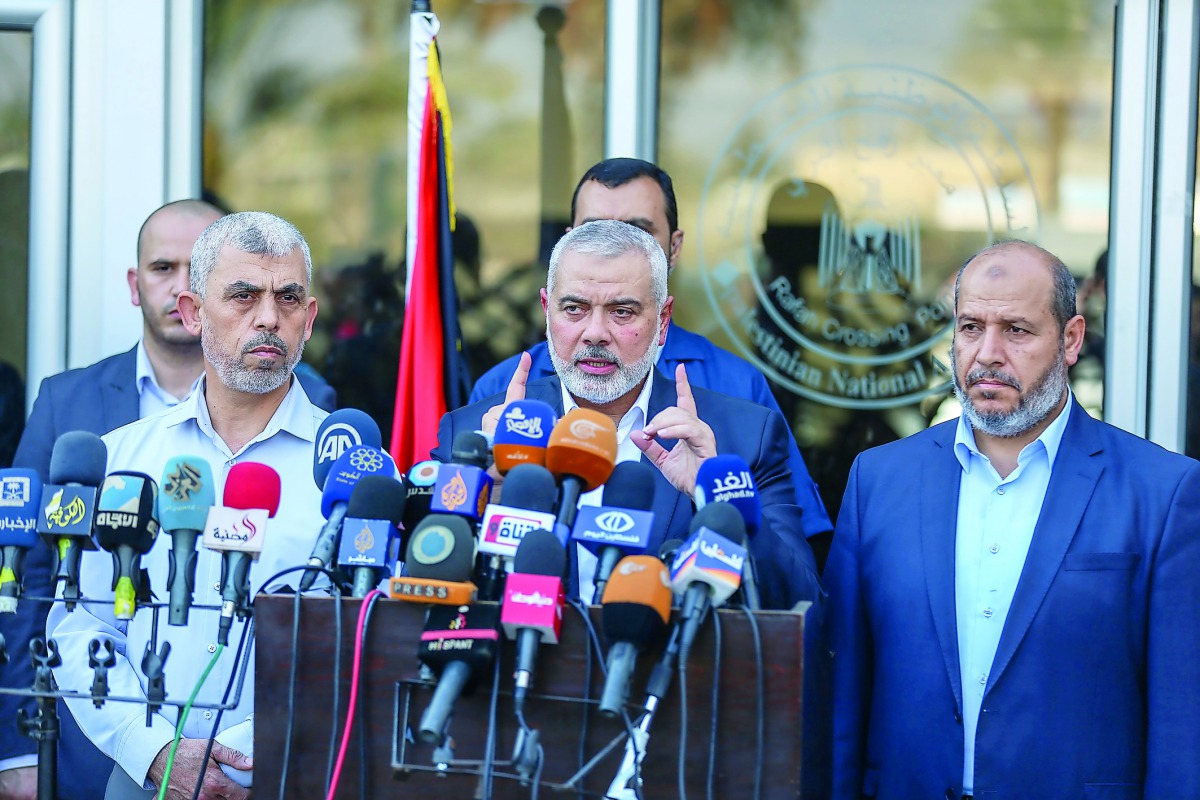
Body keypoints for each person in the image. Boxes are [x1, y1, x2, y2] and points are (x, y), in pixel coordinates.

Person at [825, 240, 1200, 798]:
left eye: (1016, 330)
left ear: (1070, 339)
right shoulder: (878, 481)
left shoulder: (1162, 491)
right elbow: (841, 694)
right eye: (971, 327)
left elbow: (1181, 725)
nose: (987, 354)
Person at [0, 200, 335, 799]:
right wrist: (151, 748)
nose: (268, 318)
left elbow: (357, 642)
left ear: (308, 319)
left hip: (290, 776)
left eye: (287, 298)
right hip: (140, 777)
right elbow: (77, 623)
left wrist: (242, 757)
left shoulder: (347, 475)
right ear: (193, 312)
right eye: (242, 296)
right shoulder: (122, 458)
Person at [436, 220, 822, 610]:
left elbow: (803, 606)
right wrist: (488, 495)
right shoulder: (472, 438)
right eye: (574, 309)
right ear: (546, 311)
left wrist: (717, 497)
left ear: (663, 321)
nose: (595, 333)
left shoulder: (743, 437)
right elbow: (425, 596)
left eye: (622, 312)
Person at [470, 158, 833, 541]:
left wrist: (716, 499)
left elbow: (794, 554)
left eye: (638, 231)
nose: (615, 246)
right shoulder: (502, 388)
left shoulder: (737, 386)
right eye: (594, 231)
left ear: (674, 248)